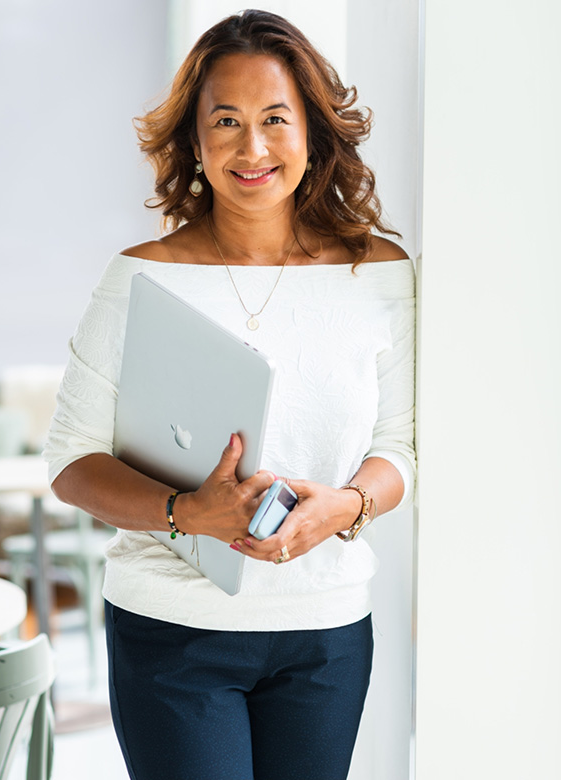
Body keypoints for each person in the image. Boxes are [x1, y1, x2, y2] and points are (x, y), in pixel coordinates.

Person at [44, 9, 415, 780]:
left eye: (275, 119)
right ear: (195, 141)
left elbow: (400, 446)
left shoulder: (379, 275)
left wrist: (345, 506)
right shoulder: (140, 276)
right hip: (173, 633)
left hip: (325, 634)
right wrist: (187, 514)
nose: (253, 148)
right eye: (226, 121)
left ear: (313, 133)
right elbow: (70, 460)